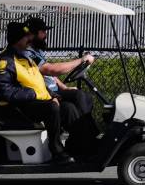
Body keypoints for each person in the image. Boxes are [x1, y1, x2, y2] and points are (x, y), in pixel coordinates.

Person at [0, 19, 67, 158]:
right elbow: (4, 90)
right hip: (14, 109)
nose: (29, 40)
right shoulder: (6, 60)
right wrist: (33, 94)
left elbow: (37, 82)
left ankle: (79, 145)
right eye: (26, 37)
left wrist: (53, 95)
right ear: (18, 39)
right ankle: (57, 151)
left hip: (27, 104)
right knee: (51, 109)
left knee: (67, 105)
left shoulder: (25, 58)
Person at [24, 15, 97, 151]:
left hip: (53, 90)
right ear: (33, 33)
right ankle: (86, 139)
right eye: (43, 32)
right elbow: (51, 70)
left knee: (82, 96)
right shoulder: (28, 53)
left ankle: (86, 138)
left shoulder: (37, 51)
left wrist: (64, 87)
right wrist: (81, 60)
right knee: (73, 103)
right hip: (44, 94)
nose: (46, 35)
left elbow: (51, 76)